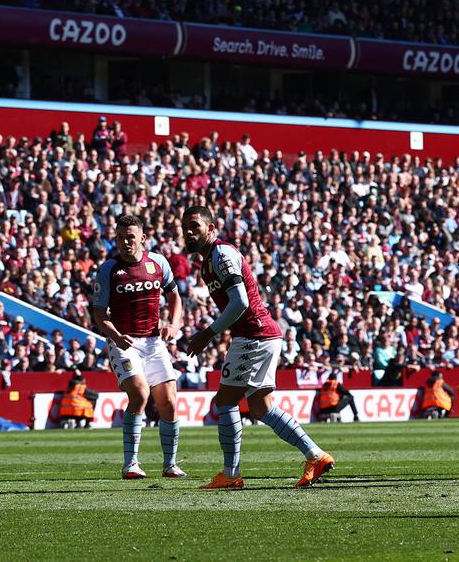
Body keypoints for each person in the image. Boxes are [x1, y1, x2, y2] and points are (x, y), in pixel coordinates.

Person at [182, 206, 335, 490]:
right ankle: (315, 455)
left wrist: (208, 333)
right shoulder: (208, 261)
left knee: (225, 401)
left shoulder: (221, 254)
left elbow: (240, 302)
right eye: (185, 228)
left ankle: (230, 474)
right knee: (260, 407)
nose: (188, 232)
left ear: (211, 228)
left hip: (254, 334)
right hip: (262, 334)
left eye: (194, 226)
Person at [91, 214, 186, 479]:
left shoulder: (158, 263)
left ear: (142, 238)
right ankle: (130, 463)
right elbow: (99, 313)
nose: (124, 242)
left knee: (168, 402)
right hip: (124, 342)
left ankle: (170, 464)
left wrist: (175, 325)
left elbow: (174, 296)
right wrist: (115, 335)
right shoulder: (109, 269)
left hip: (154, 343)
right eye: (120, 237)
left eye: (130, 237)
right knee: (141, 394)